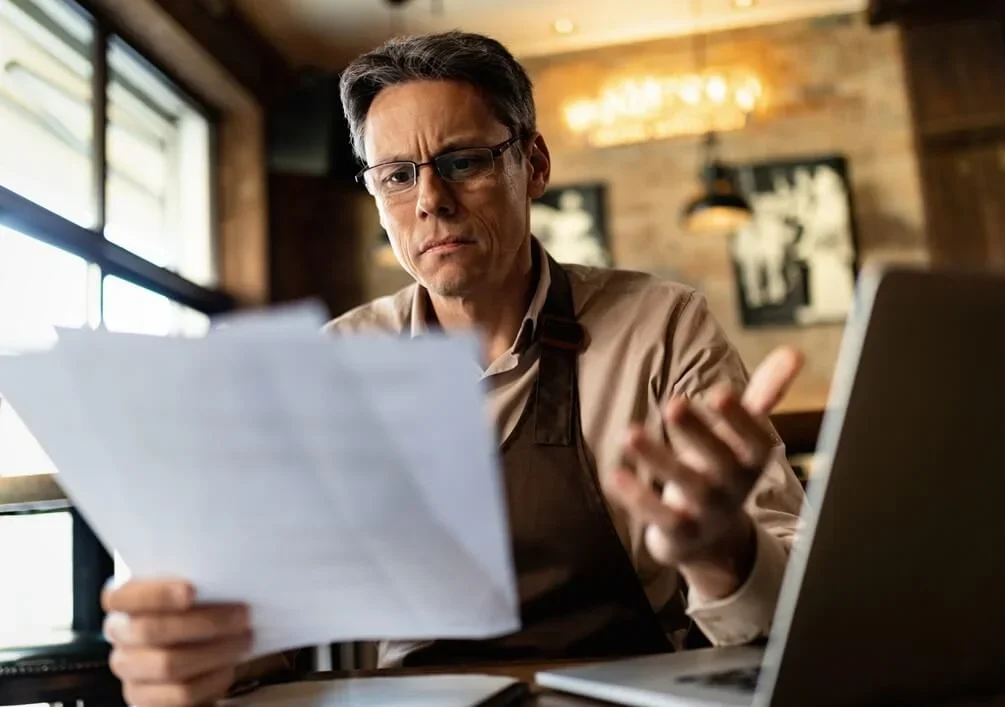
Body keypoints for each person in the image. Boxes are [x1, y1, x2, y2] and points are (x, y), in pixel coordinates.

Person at [101, 31, 807, 706]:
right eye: (398, 176)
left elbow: (801, 615)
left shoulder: (663, 327)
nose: (431, 200)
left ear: (533, 164)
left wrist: (724, 555)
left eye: (463, 161)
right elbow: (265, 607)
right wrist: (201, 648)